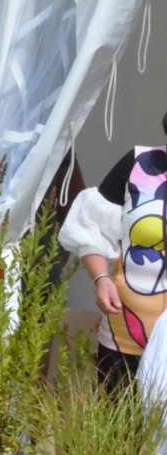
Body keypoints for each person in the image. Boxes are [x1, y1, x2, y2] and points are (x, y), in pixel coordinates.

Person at [59, 118, 167, 387]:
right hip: (127, 337)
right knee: (119, 426)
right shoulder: (140, 164)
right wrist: (101, 279)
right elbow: (92, 228)